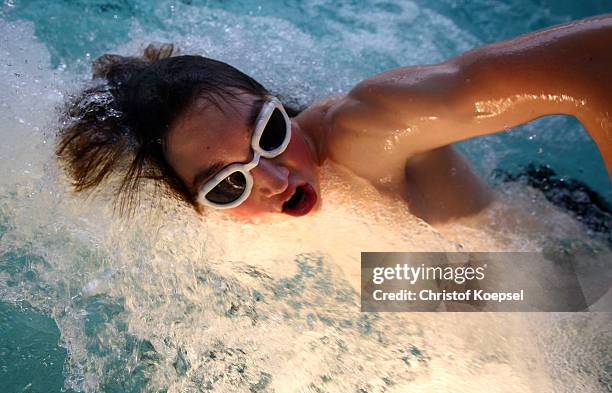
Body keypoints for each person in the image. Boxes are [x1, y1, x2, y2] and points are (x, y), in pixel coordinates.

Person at [56, 14, 612, 224]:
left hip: (571, 251)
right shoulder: (220, 232)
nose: (275, 180)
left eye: (269, 133)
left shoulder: (367, 130)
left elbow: (596, 61)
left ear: (279, 103)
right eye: (228, 185)